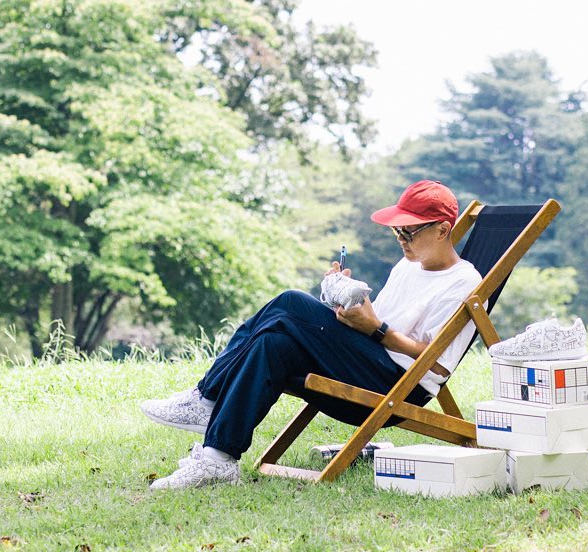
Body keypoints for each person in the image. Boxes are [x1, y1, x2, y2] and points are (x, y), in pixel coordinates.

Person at [141, 180, 479, 490]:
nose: (401, 239)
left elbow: (438, 364)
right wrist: (346, 300)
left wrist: (376, 329)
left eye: (409, 232)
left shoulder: (463, 283)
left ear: (442, 230)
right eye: (397, 231)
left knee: (290, 301)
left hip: (397, 385)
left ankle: (206, 398)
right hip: (366, 358)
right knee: (274, 343)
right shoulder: (408, 265)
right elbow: (377, 320)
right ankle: (218, 459)